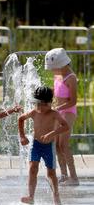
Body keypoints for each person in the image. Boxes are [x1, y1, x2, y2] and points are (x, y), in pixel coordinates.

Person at [18, 86, 69, 205]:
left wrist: (52, 133)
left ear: (51, 102)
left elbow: (65, 126)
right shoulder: (34, 112)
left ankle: (56, 197)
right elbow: (20, 119)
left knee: (51, 173)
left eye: (43, 104)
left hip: (48, 146)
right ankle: (31, 196)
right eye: (37, 104)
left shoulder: (54, 114)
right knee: (32, 169)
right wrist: (22, 136)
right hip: (35, 145)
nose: (40, 107)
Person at [45, 48, 79, 186]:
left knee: (64, 144)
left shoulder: (71, 78)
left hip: (68, 112)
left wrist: (57, 108)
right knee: (57, 146)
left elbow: (73, 101)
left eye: (54, 68)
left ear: (62, 64)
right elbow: (55, 93)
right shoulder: (58, 76)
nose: (52, 71)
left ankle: (74, 177)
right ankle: (64, 176)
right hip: (58, 112)